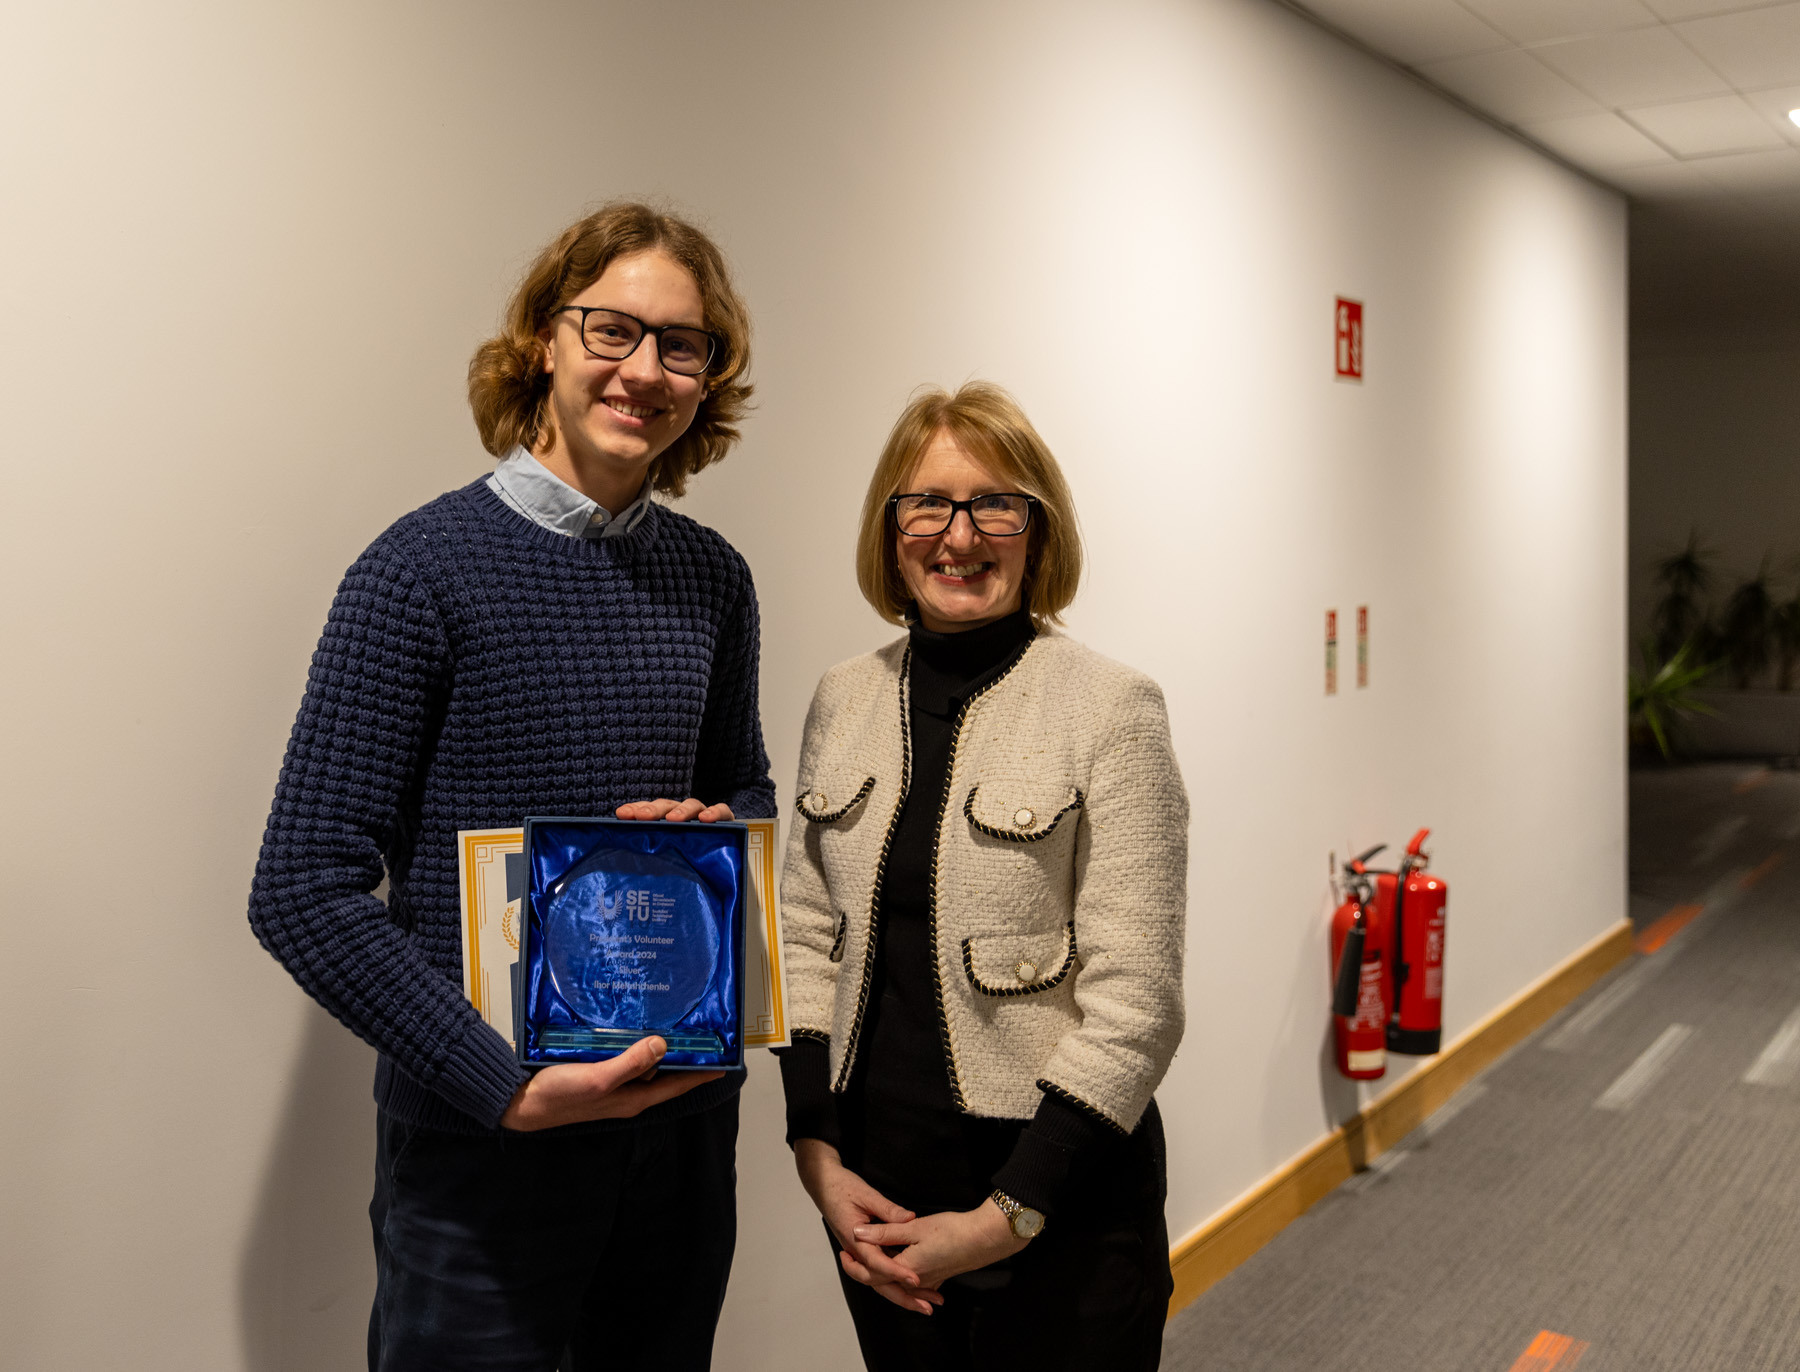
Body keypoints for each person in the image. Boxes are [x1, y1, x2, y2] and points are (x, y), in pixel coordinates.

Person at [248, 203, 774, 1372]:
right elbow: (302, 887)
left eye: (680, 345)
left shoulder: (712, 579)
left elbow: (744, 789)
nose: (644, 369)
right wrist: (504, 1089)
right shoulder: (416, 572)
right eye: (612, 330)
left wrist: (718, 827)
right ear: (543, 337)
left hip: (675, 1136)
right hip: (484, 1152)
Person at [775, 382, 1188, 1370]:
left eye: (994, 503)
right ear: (890, 528)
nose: (958, 534)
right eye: (927, 502)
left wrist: (1005, 1217)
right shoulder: (842, 697)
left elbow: (1137, 1006)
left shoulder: (1111, 709)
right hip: (875, 1186)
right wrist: (814, 1151)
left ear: (1037, 530)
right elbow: (798, 929)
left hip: (1058, 1194)